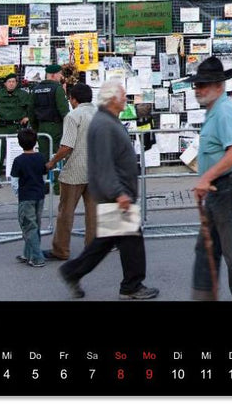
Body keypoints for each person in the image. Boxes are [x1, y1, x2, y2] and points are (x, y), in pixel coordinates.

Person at [58, 81, 159, 300]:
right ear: (113, 99)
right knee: (131, 241)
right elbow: (103, 163)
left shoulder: (107, 120)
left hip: (116, 193)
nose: (125, 99)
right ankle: (131, 286)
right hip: (116, 195)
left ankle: (73, 271)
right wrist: (119, 193)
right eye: (122, 95)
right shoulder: (104, 124)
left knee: (106, 241)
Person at [186, 56, 232, 301]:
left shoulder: (224, 111)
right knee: (206, 250)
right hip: (220, 187)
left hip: (228, 185)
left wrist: (206, 177)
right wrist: (207, 180)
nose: (198, 90)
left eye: (203, 84)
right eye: (197, 85)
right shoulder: (214, 111)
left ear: (219, 86)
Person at [43, 82, 97, 261]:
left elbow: (66, 146)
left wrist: (52, 162)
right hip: (96, 170)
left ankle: (61, 249)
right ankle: (93, 248)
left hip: (75, 170)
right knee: (93, 213)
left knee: (65, 212)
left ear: (73, 99)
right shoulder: (100, 114)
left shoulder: (74, 116)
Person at [0, 73, 33, 186]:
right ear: (5, 83)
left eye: (13, 82)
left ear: (16, 83)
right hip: (2, 127)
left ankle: (22, 176)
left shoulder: (23, 94)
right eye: (9, 82)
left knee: (20, 152)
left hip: (18, 128)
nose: (11, 84)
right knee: (0, 152)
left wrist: (28, 117)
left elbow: (32, 107)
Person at [10, 129, 49, 267]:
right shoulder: (41, 157)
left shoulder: (18, 160)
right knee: (35, 225)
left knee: (28, 226)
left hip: (26, 197)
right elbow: (44, 176)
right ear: (35, 142)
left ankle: (37, 257)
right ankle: (27, 254)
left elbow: (14, 181)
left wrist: (18, 194)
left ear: (19, 143)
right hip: (39, 195)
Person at [31, 63, 70, 160]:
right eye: (60, 74)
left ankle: (44, 174)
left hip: (41, 127)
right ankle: (56, 175)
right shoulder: (57, 88)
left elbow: (31, 112)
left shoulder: (35, 89)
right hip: (56, 127)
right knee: (56, 155)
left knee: (43, 155)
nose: (61, 76)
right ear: (53, 75)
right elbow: (64, 111)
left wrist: (36, 128)